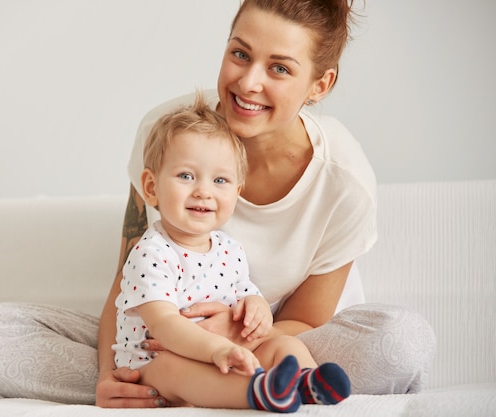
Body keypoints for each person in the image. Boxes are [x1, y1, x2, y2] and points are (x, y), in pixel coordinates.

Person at [0, 0, 435, 408]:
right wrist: (107, 374)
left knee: (402, 343)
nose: (248, 83)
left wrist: (226, 336)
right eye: (240, 54)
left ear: (320, 84)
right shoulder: (169, 133)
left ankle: (233, 384)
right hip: (160, 337)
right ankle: (173, 384)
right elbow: (129, 281)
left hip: (279, 338)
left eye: (280, 68)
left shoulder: (344, 181)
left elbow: (308, 319)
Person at [113, 92, 350, 412]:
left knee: (284, 344)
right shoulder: (151, 253)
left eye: (220, 180)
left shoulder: (229, 249)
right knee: (173, 369)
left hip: (225, 353)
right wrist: (215, 351)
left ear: (237, 192)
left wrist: (257, 309)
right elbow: (165, 326)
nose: (203, 191)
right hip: (154, 363)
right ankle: (260, 393)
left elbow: (245, 296)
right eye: (186, 176)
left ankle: (307, 384)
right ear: (151, 187)